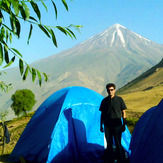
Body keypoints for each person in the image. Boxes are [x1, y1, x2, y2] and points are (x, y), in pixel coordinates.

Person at [99, 83, 127, 163]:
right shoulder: (104, 101)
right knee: (109, 143)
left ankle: (121, 160)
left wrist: (124, 124)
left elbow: (123, 112)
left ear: (114, 90)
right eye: (108, 90)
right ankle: (110, 160)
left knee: (118, 143)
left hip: (117, 125)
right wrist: (101, 125)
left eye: (111, 90)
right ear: (107, 91)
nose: (110, 91)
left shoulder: (119, 100)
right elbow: (102, 114)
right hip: (107, 125)